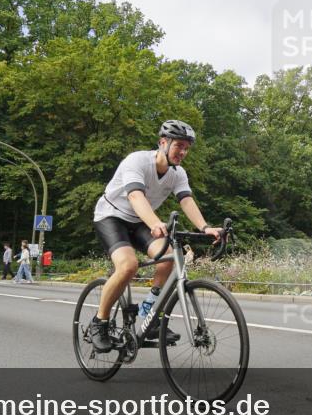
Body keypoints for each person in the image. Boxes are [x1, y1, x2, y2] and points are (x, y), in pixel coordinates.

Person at [88, 120, 223, 350]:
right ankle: (99, 322)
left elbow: (186, 200)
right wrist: (154, 223)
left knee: (167, 257)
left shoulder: (178, 173)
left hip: (140, 220)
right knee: (128, 266)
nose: (183, 152)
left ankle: (149, 312)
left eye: (186, 148)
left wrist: (205, 227)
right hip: (111, 216)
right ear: (163, 142)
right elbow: (135, 196)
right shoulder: (137, 161)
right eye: (178, 145)